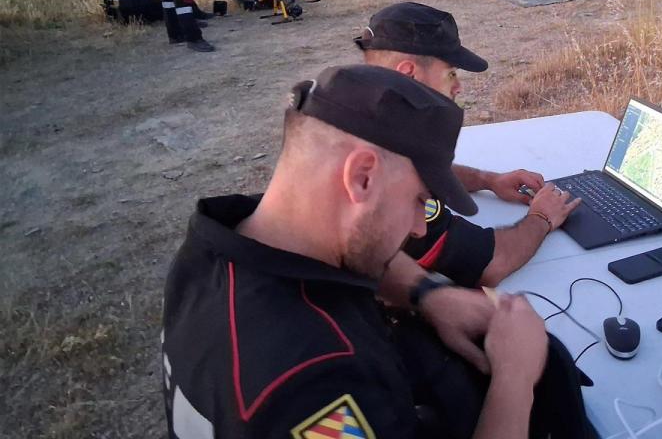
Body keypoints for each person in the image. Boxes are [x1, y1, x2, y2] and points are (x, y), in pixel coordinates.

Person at [161, 65, 593, 438]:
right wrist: (515, 378)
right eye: (419, 200)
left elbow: (356, 254)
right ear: (362, 178)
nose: (419, 226)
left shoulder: (215, 251)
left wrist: (428, 294)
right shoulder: (318, 387)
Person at [356, 2, 581, 287]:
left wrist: (488, 180)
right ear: (408, 74)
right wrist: (542, 217)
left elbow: (422, 169)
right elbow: (490, 264)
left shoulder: (352, 110)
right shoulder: (384, 168)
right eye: (450, 73)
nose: (458, 87)